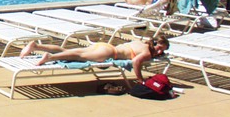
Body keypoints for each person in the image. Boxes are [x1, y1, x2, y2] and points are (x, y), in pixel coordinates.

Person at [20, 33, 170, 84]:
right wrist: (140, 79)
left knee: (69, 51)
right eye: (159, 47)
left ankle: (36, 47)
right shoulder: (147, 52)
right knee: (77, 56)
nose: (159, 51)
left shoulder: (141, 43)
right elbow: (137, 61)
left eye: (161, 50)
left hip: (105, 46)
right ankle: (50, 56)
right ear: (155, 43)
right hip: (108, 53)